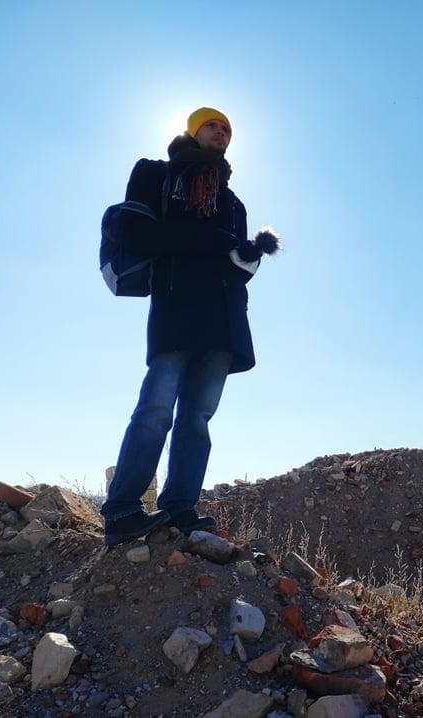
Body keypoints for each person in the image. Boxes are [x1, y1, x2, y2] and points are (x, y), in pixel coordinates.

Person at [101, 107, 278, 546]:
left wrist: (248, 255)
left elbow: (236, 267)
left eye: (227, 129)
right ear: (194, 130)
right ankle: (122, 510)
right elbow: (140, 236)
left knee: (197, 418)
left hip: (224, 319)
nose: (221, 133)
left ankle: (180, 507)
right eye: (213, 125)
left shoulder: (233, 202)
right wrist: (215, 243)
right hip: (176, 308)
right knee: (156, 409)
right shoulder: (156, 174)